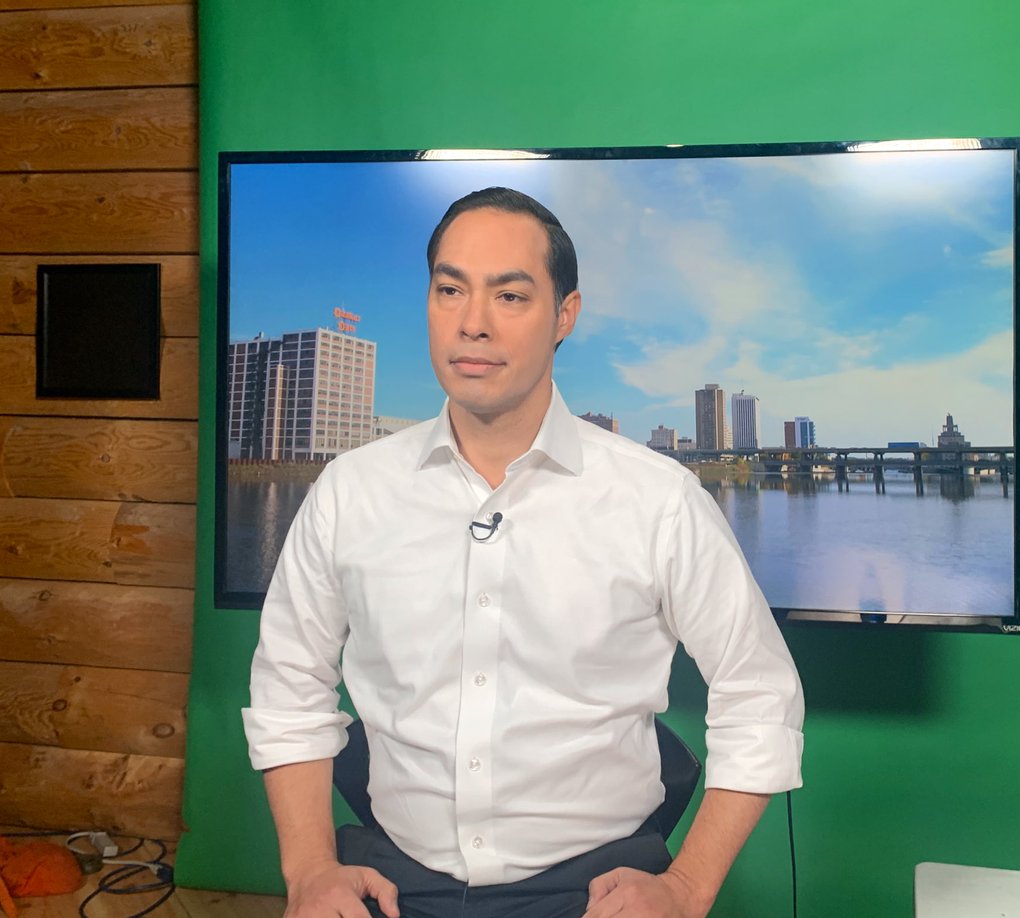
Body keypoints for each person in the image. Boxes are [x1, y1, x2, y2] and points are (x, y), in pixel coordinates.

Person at [243, 187, 804, 918]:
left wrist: (686, 887)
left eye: (509, 296)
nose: (472, 322)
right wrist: (310, 869)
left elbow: (759, 694)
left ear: (564, 316)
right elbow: (289, 687)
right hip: (391, 877)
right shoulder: (351, 491)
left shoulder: (657, 499)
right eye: (450, 290)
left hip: (600, 889)